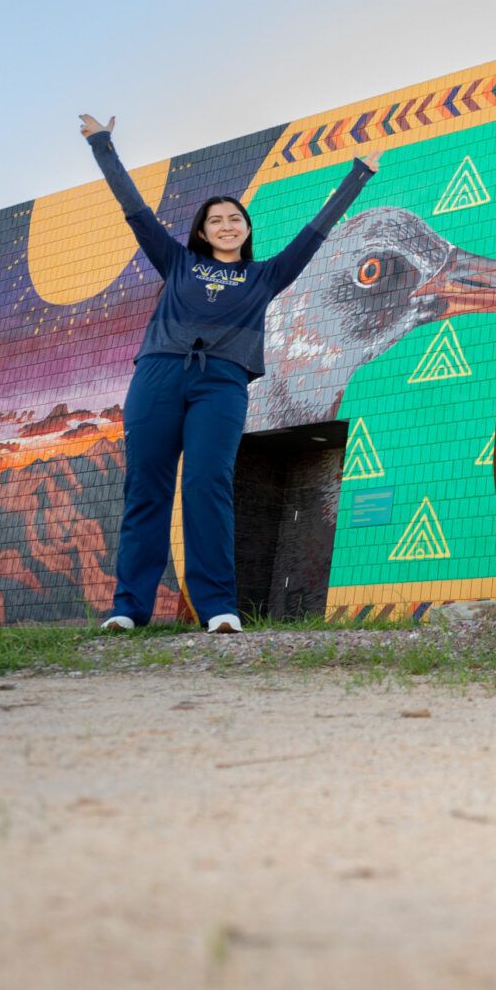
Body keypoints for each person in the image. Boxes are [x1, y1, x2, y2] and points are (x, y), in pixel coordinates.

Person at [79, 114, 374, 631]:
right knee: (146, 488)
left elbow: (316, 233)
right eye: (215, 219)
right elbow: (135, 210)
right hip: (158, 376)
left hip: (223, 384)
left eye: (235, 218)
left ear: (247, 229)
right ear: (202, 230)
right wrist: (102, 144)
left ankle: (218, 608)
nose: (226, 225)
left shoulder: (266, 275)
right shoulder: (176, 262)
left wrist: (358, 176)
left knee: (208, 483)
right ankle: (129, 609)